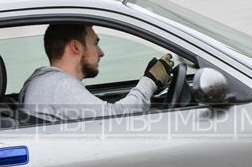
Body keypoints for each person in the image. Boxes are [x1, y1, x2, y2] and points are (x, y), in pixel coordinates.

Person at [19, 23, 174, 122]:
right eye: (95, 43)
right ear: (76, 47)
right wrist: (150, 80)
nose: (101, 53)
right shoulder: (59, 86)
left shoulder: (42, 81)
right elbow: (115, 119)